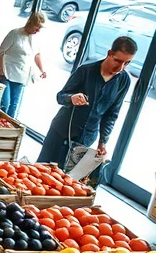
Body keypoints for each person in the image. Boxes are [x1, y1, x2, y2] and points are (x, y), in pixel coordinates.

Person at [37, 36, 137, 167]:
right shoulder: (85, 71)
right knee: (40, 171)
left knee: (66, 179)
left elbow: (112, 114)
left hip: (86, 138)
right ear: (109, 53)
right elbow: (60, 96)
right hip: (61, 131)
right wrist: (71, 98)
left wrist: (103, 142)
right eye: (118, 61)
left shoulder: (124, 81)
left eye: (126, 63)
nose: (120, 67)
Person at [0, 12, 47, 119]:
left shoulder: (35, 38)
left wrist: (42, 70)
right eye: (37, 27)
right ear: (30, 23)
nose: (38, 31)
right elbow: (0, 53)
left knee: (14, 106)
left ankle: (9, 132)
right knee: (5, 104)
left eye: (40, 29)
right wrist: (1, 71)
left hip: (22, 76)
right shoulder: (15, 34)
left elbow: (37, 54)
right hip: (7, 74)